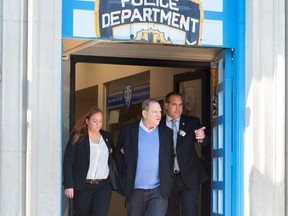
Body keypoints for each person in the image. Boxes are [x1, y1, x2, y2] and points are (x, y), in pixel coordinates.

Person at [114, 99, 174, 216]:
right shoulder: (129, 130)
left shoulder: (166, 132)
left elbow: (170, 156)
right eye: (154, 112)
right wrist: (124, 175)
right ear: (144, 113)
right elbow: (118, 154)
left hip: (158, 190)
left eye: (160, 112)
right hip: (135, 190)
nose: (159, 115)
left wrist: (169, 176)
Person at [160, 92, 208, 216]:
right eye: (174, 104)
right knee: (170, 213)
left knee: (190, 212)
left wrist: (201, 138)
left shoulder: (192, 122)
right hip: (168, 178)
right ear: (166, 106)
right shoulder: (158, 124)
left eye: (180, 105)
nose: (178, 108)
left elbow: (204, 142)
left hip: (189, 176)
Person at [63, 107, 117, 216]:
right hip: (83, 185)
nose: (98, 124)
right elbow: (68, 162)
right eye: (95, 121)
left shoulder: (107, 137)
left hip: (103, 185)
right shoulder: (78, 137)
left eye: (100, 121)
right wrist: (69, 184)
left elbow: (113, 155)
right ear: (87, 121)